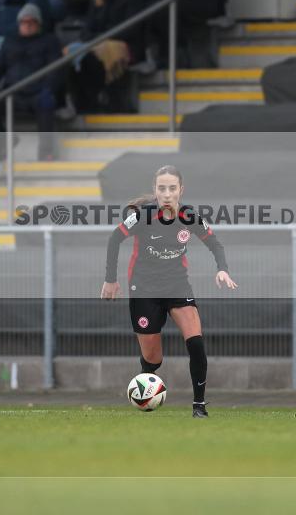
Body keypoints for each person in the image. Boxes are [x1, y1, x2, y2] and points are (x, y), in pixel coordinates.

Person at [101, 165, 237, 418]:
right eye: (161, 188)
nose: (166, 194)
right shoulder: (143, 216)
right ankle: (146, 387)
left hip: (177, 286)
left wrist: (223, 269)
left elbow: (215, 244)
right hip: (144, 289)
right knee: (153, 359)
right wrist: (111, 280)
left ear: (180, 190)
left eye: (172, 188)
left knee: (196, 343)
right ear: (155, 190)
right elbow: (114, 238)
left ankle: (199, 406)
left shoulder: (189, 216)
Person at [0, 4, 62, 161]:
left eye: (31, 22)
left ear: (39, 24)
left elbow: (55, 70)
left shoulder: (50, 41)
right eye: (24, 22)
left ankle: (46, 152)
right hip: (13, 93)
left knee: (46, 102)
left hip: (38, 92)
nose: (27, 25)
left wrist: (49, 89)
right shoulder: (10, 42)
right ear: (19, 24)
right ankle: (4, 146)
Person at [66, 0, 144, 113]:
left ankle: (108, 101)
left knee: (99, 54)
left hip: (126, 44)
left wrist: (103, 38)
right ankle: (85, 102)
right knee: (73, 53)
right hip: (99, 43)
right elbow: (86, 30)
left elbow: (131, 29)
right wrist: (99, 39)